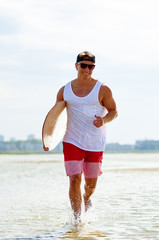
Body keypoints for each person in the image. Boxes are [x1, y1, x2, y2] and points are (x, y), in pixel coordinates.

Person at [44, 51, 118, 222]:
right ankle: (78, 221)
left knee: (91, 184)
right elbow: (55, 117)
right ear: (76, 66)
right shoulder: (65, 91)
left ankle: (86, 197)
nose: (86, 69)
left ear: (94, 68)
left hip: (94, 142)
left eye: (90, 66)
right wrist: (49, 140)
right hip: (72, 140)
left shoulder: (103, 89)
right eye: (83, 65)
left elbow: (114, 111)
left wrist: (104, 120)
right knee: (74, 178)